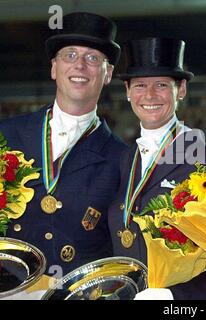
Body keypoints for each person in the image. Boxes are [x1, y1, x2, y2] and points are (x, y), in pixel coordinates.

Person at [0, 12, 127, 276]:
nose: (80, 65)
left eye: (92, 58)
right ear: (54, 68)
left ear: (108, 74)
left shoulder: (122, 159)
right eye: (69, 55)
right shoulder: (6, 135)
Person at [108, 37, 206, 300]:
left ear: (181, 89)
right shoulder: (123, 160)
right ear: (127, 91)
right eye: (140, 85)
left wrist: (174, 296)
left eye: (161, 85)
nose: (149, 95)